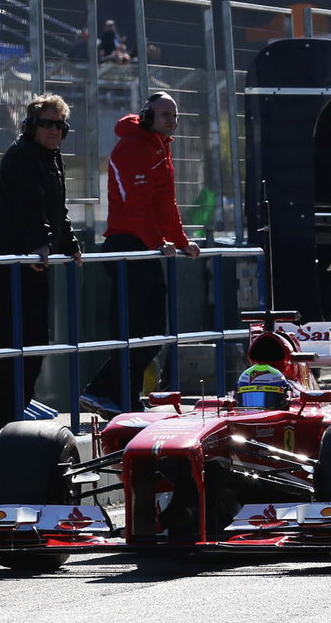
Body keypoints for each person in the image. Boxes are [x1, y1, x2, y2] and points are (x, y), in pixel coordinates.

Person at [79, 92, 201, 418]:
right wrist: (158, 242)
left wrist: (181, 240)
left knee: (152, 332)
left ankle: (123, 398)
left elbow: (165, 203)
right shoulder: (134, 146)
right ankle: (101, 391)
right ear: (148, 116)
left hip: (145, 247)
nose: (171, 121)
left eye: (174, 115)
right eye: (165, 115)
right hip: (128, 246)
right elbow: (137, 205)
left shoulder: (160, 146)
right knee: (135, 331)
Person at [0, 94, 82, 437]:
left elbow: (59, 210)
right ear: (31, 126)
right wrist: (39, 244)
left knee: (36, 339)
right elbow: (29, 206)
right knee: (12, 338)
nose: (54, 130)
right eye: (47, 123)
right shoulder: (23, 156)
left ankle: (14, 412)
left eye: (60, 125)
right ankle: (0, 416)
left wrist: (68, 243)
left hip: (35, 262)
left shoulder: (52, 159)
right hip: (15, 261)